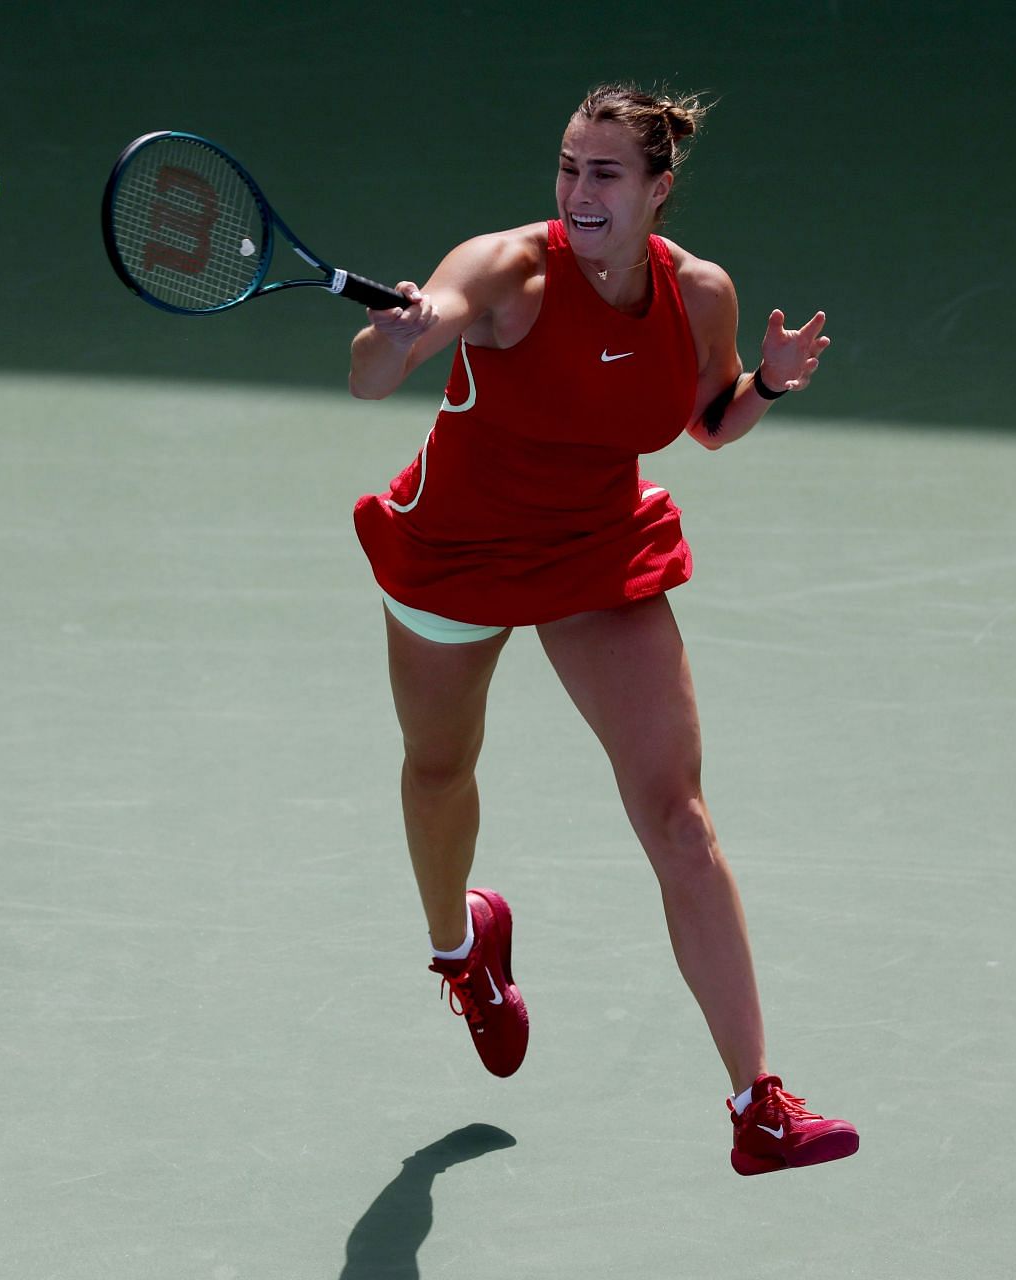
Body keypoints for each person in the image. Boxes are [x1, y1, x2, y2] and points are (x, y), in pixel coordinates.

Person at [346, 84, 855, 1176]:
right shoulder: (504, 269)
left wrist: (767, 382)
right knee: (440, 771)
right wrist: (402, 336)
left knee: (678, 816)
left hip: (592, 551)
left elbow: (706, 421)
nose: (579, 190)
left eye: (605, 173)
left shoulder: (699, 293)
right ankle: (461, 947)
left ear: (658, 190)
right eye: (569, 167)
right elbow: (375, 371)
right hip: (460, 550)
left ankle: (758, 1103)